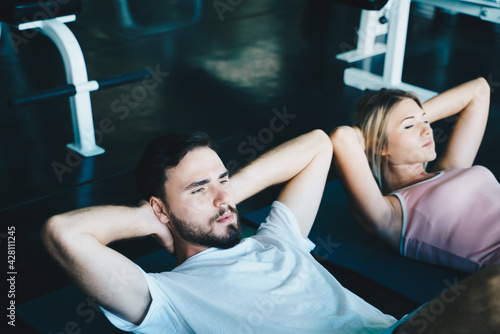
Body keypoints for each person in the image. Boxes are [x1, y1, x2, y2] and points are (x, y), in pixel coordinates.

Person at [42, 129, 500, 333]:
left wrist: (221, 192)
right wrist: (150, 217)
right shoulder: (165, 297)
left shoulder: (275, 237)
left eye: (224, 179)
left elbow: (318, 145)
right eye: (198, 189)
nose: (223, 199)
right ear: (161, 207)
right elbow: (63, 232)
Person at [329, 77, 500, 273]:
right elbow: (342, 137)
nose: (427, 130)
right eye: (410, 126)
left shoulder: (451, 168)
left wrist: (411, 117)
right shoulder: (389, 215)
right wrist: (378, 130)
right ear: (379, 146)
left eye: (426, 120)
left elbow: (479, 89)